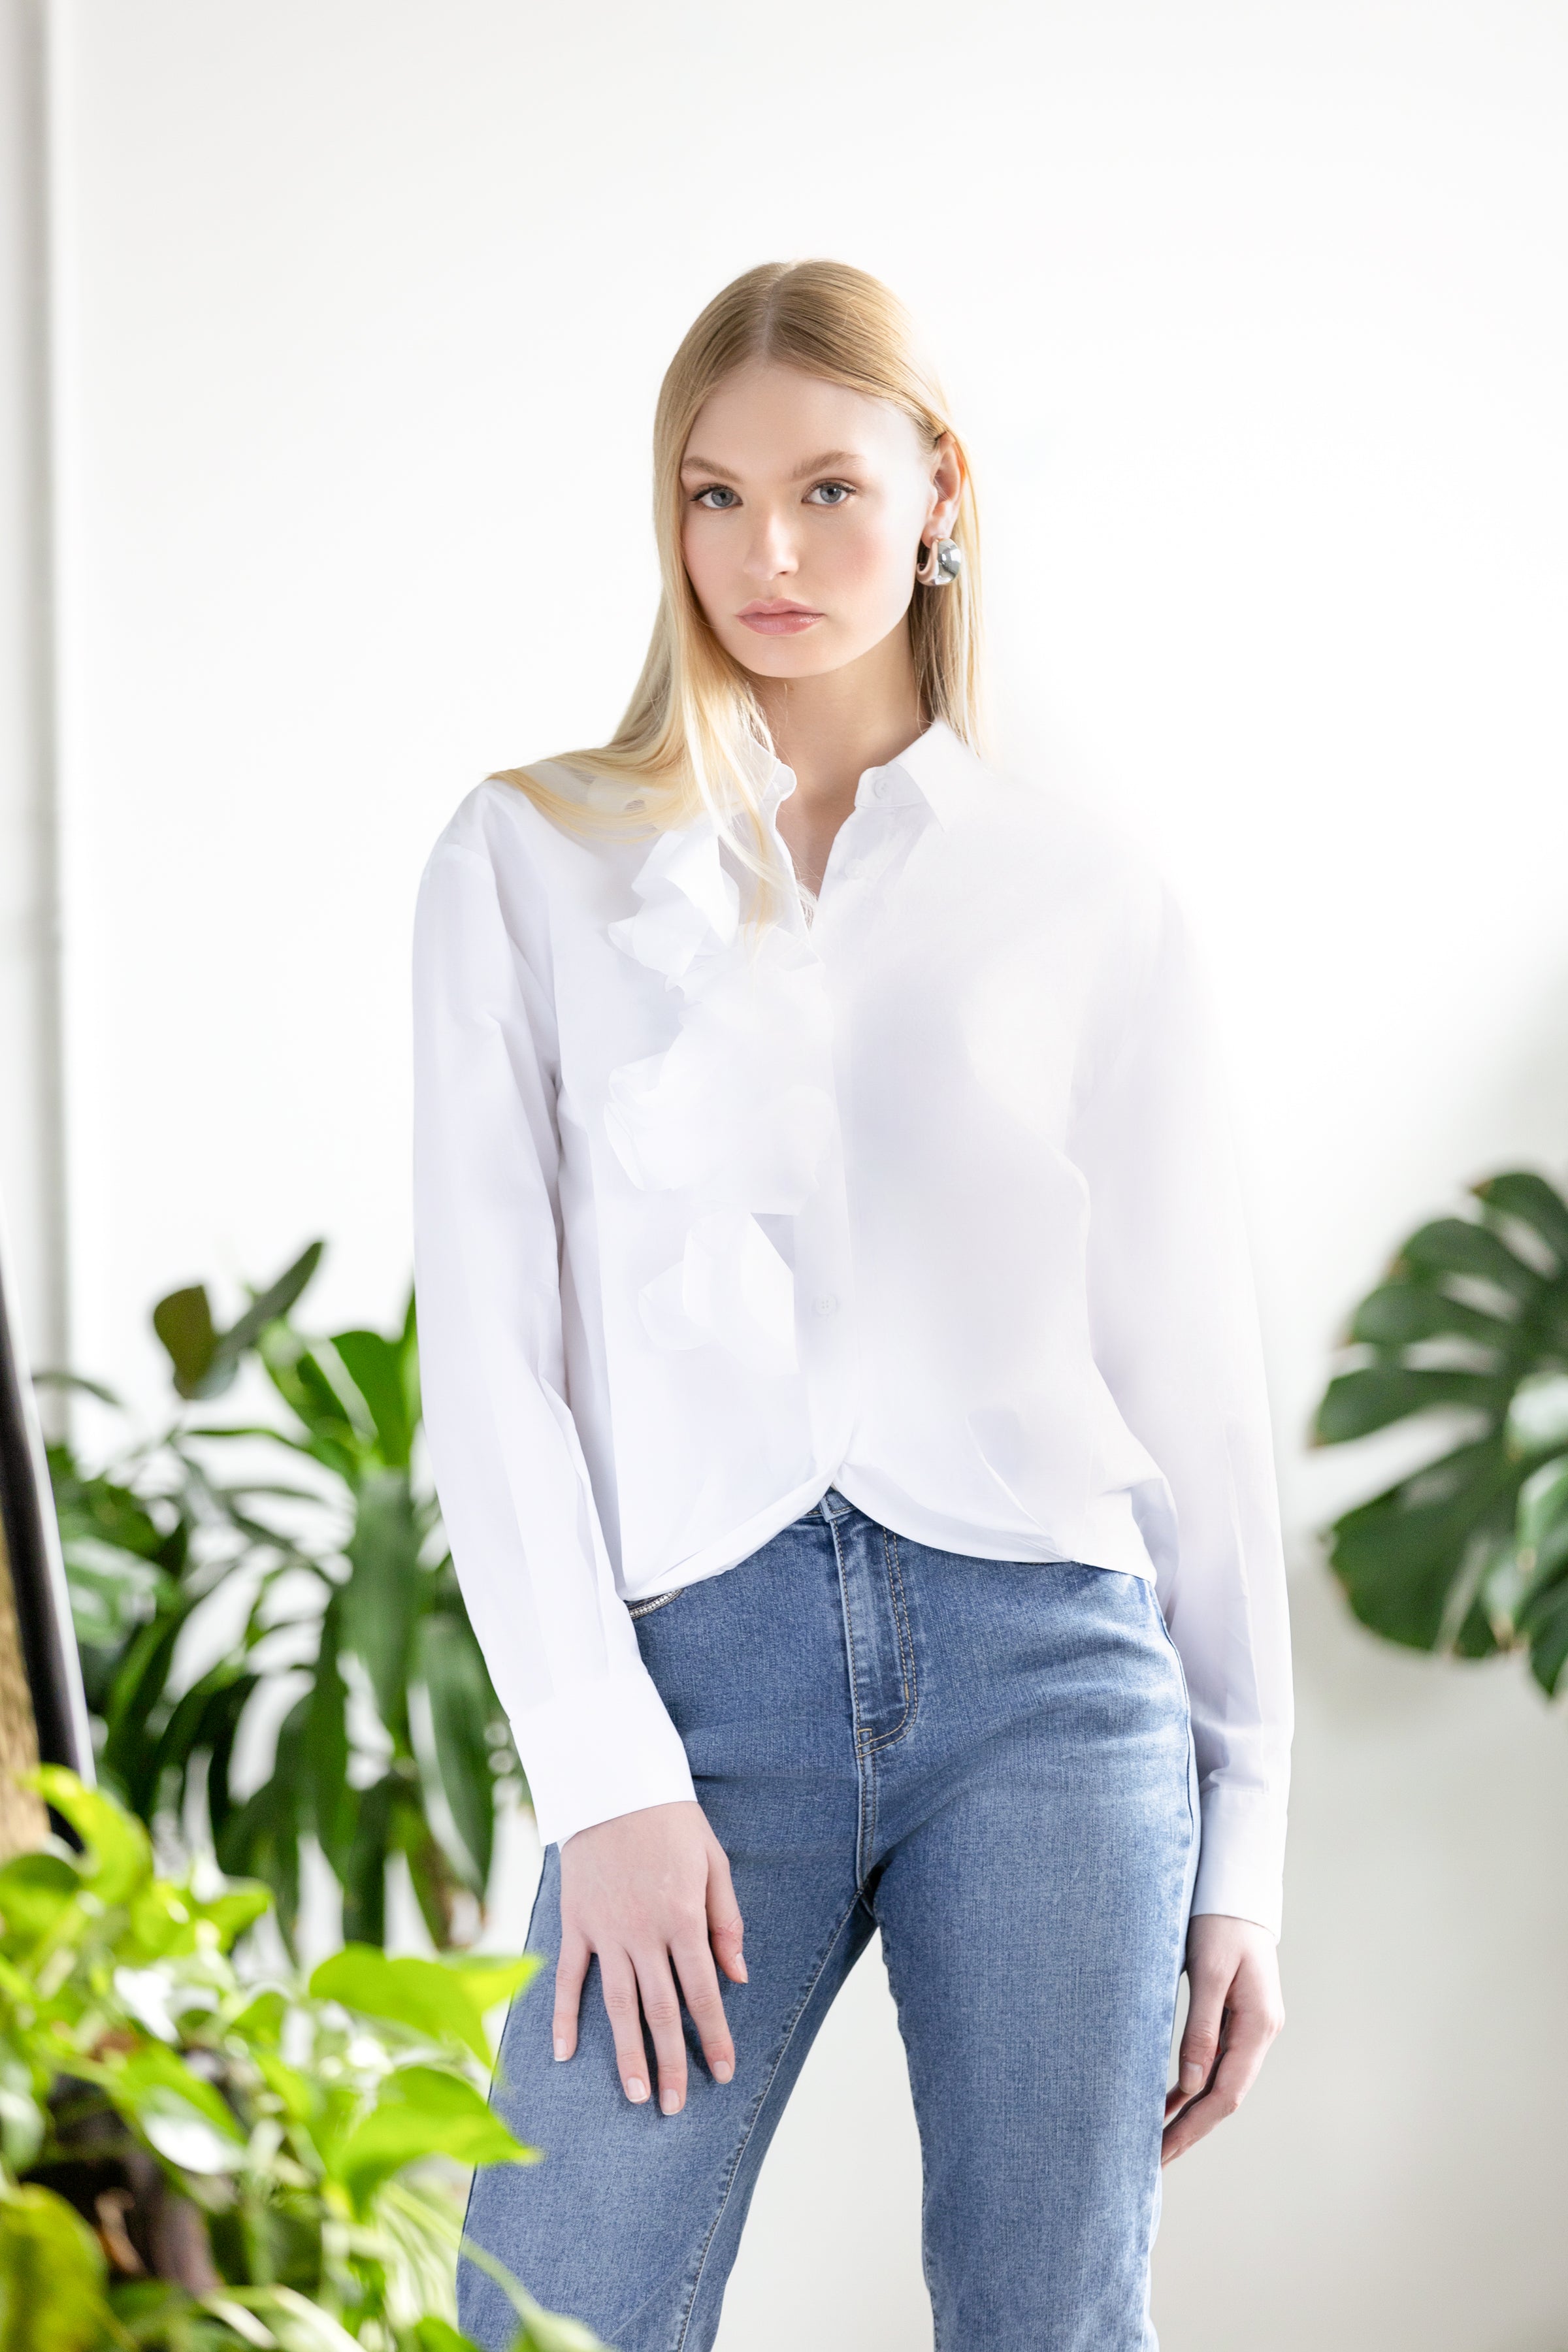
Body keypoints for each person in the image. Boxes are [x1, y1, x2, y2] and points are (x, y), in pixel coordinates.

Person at [411, 259, 1292, 2352]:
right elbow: (491, 1369)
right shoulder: (528, 864)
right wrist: (600, 1778)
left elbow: (1197, 1385)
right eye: (715, 498)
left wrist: (1248, 1836)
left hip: (1054, 1687)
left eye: (826, 490)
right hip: (693, 1695)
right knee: (553, 2308)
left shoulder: (1088, 899)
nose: (768, 555)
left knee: (1049, 2324)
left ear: (940, 494)